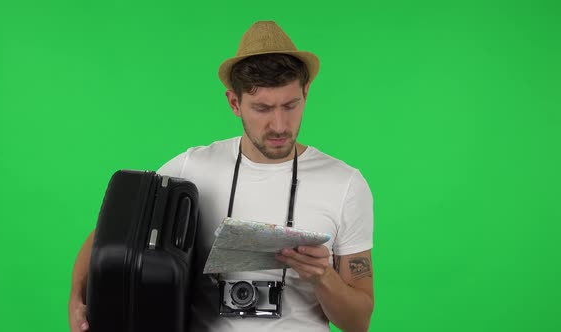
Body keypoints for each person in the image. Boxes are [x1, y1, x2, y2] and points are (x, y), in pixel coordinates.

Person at [69, 20, 374, 332]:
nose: (280, 125)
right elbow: (109, 233)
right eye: (262, 108)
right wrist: (76, 300)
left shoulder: (345, 184)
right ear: (234, 103)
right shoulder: (191, 167)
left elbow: (358, 322)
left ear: (306, 94)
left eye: (290, 105)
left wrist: (323, 277)